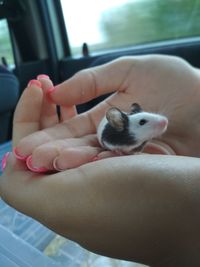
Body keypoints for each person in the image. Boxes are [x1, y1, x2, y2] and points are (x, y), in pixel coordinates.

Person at [1, 55, 200, 266]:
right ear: (122, 123)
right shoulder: (113, 134)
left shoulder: (140, 136)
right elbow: (109, 141)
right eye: (143, 121)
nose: (162, 121)